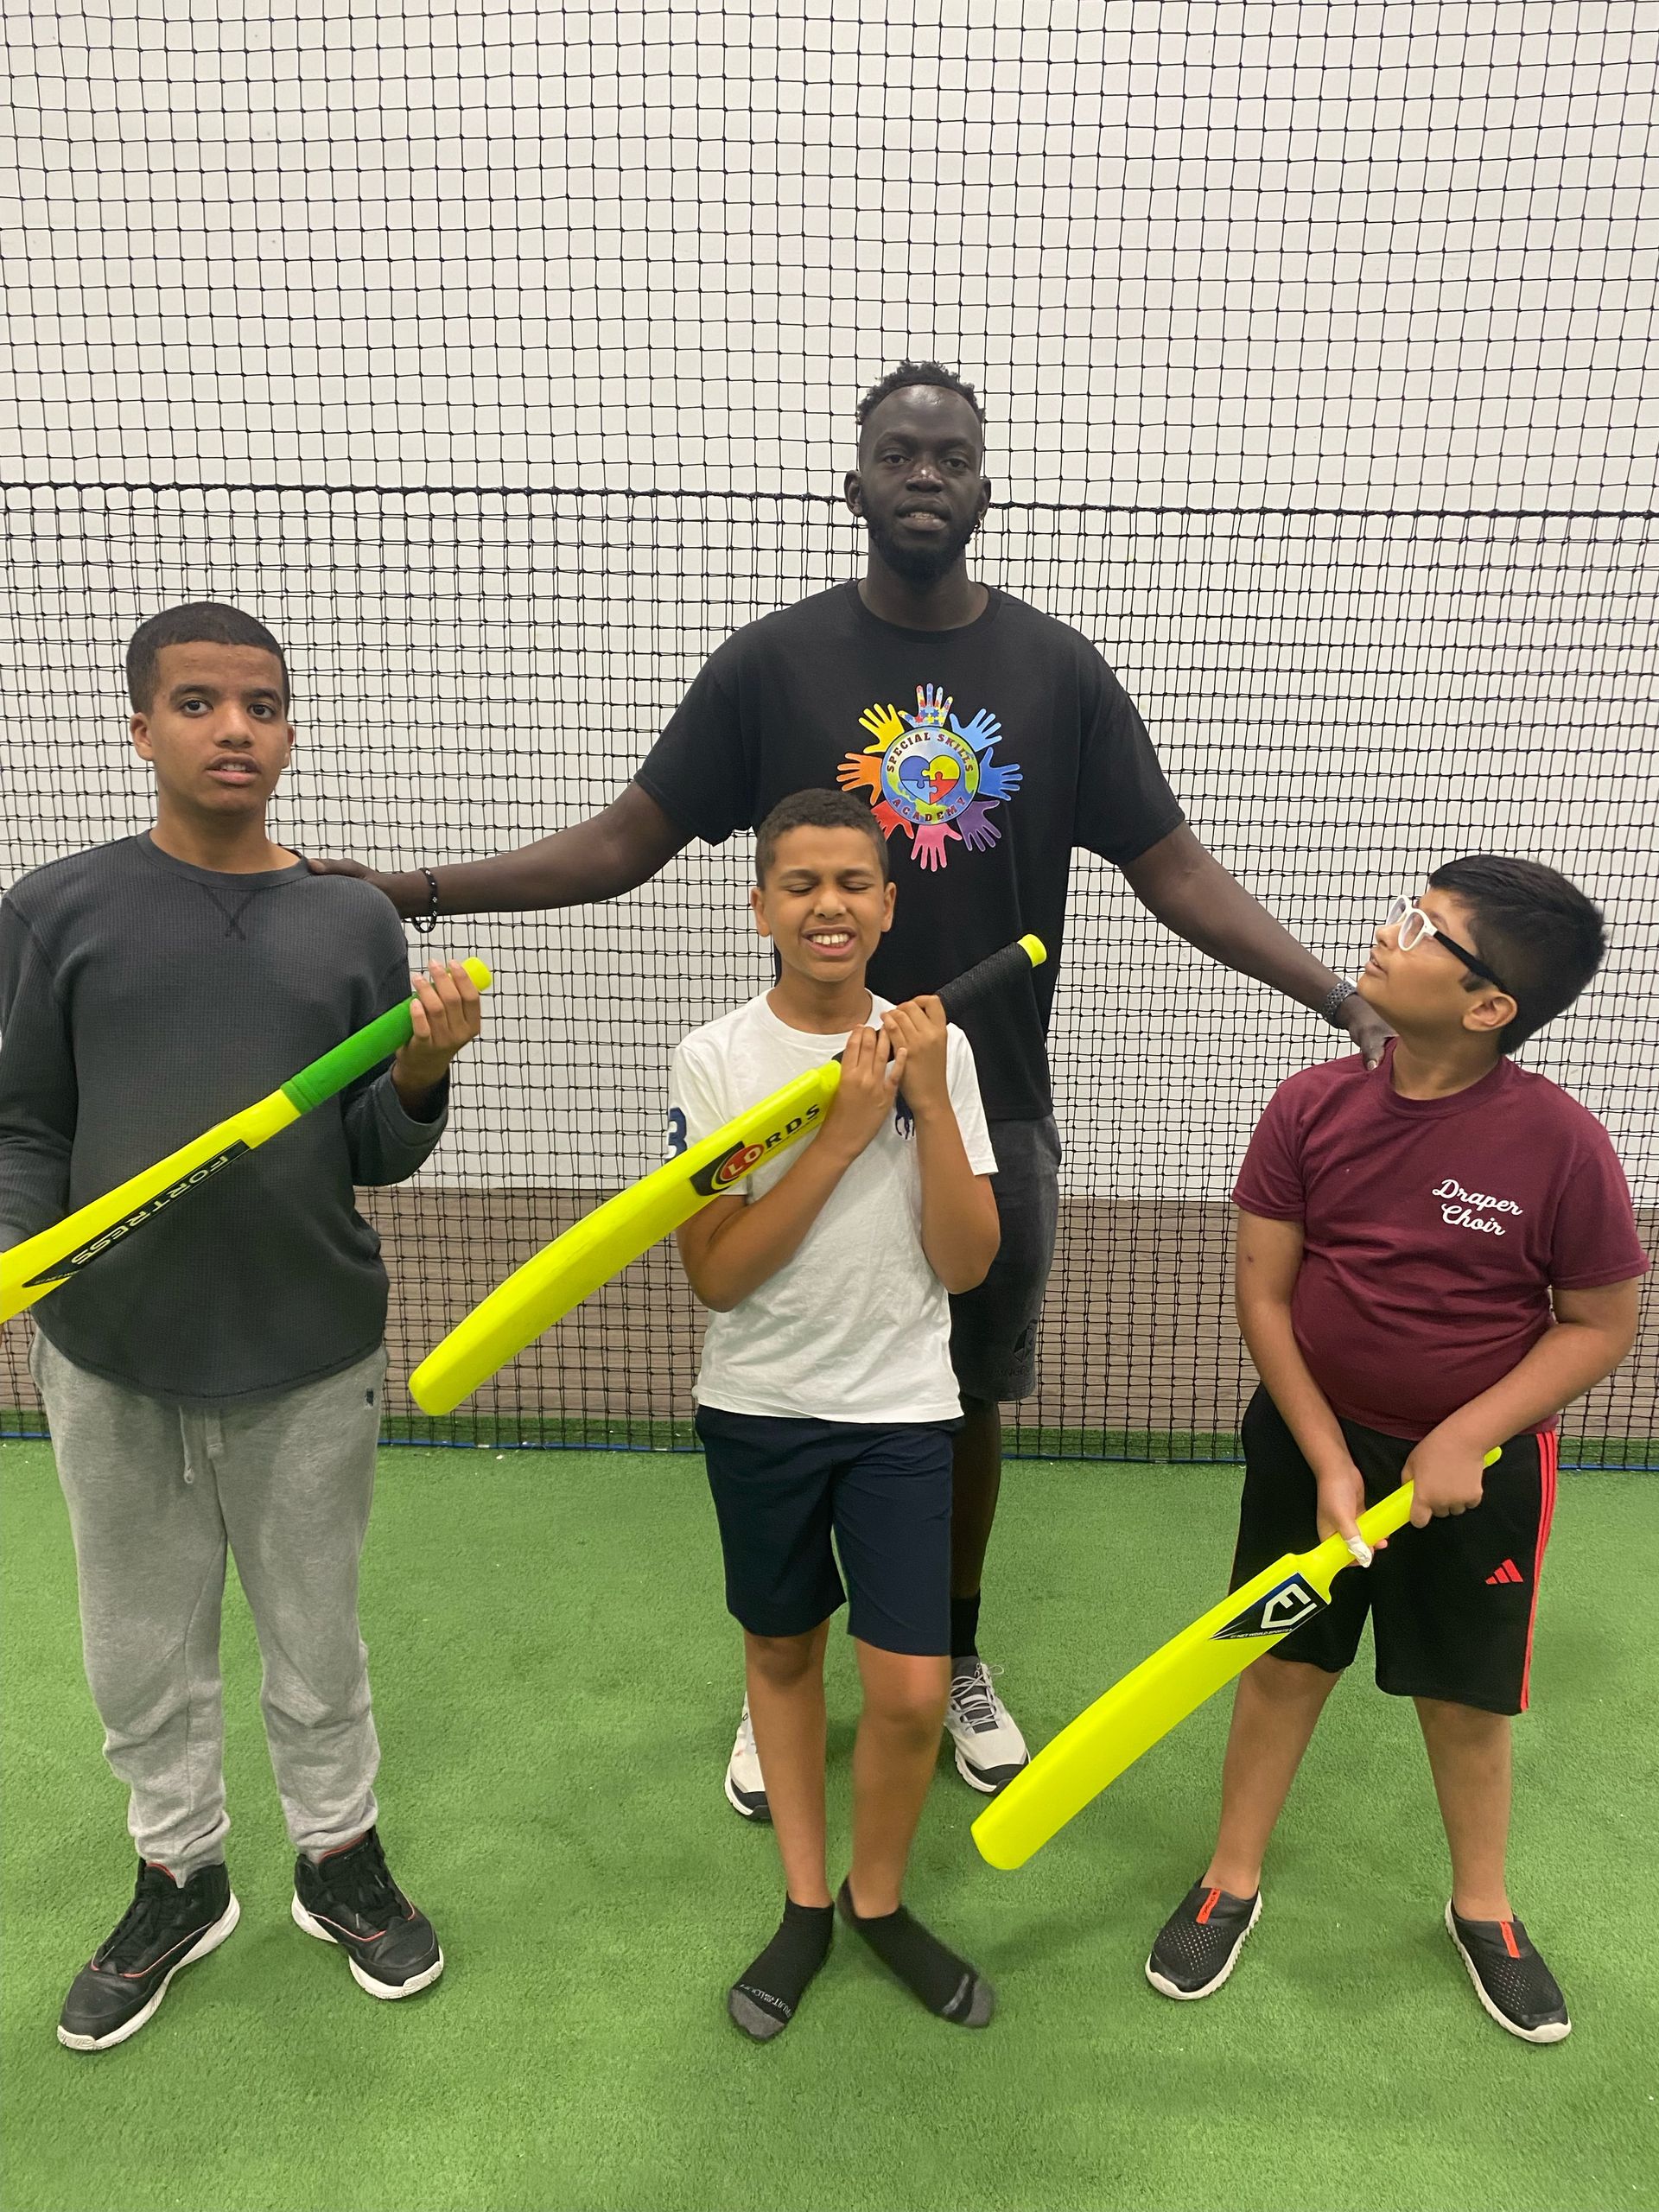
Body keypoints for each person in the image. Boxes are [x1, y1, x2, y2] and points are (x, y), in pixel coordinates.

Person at [313, 359, 1391, 1815]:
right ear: (856, 483)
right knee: (788, 1394)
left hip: (986, 1108)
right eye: (898, 453)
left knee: (966, 1399)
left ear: (985, 489)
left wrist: (1338, 997)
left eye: (951, 456)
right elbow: (624, 841)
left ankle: (950, 1650)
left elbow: (1175, 867)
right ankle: (782, 1673)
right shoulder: (770, 664)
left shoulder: (1061, 672)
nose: (924, 473)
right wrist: (415, 889)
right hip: (794, 1109)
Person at [0, 603, 485, 2051]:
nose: (234, 729)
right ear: (139, 727)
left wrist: (422, 1074)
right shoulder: (58, 909)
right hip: (111, 1352)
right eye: (199, 702)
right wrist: (24, 1260)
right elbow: (25, 1122)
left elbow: (373, 1150)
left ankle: (339, 1862)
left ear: (287, 733)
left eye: (262, 706)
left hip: (307, 1349)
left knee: (316, 1636)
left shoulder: (352, 921)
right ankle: (179, 1876)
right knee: (139, 1647)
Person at [1145, 857, 1645, 2044]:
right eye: (1407, 911)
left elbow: (1600, 1323)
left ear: (1488, 1007)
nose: (1388, 932)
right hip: (1310, 1447)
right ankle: (1230, 1875)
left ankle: (1484, 1908)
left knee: (1465, 1697)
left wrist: (1468, 1434)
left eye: (1426, 930)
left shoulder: (1562, 1144)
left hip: (1480, 1478)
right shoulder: (1309, 1108)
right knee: (1282, 1663)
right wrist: (1328, 1459)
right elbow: (1266, 1298)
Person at [672, 787, 1001, 2037]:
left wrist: (924, 1101)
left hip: (903, 1410)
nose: (828, 905)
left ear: (889, 905)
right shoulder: (716, 1060)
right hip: (759, 1406)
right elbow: (717, 1275)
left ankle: (879, 1900)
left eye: (853, 883)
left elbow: (966, 1264)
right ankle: (808, 1904)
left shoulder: (939, 1053)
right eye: (801, 884)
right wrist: (841, 1131)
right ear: (760, 906)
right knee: (782, 1653)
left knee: (912, 1693)